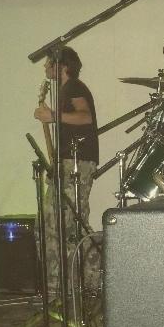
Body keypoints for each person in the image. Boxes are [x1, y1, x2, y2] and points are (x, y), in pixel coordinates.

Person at [34, 46, 99, 295]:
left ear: (62, 66)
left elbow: (85, 117)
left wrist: (53, 115)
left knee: (64, 223)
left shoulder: (74, 87)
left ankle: (68, 286)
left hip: (77, 163)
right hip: (68, 163)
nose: (45, 67)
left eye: (48, 63)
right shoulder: (64, 91)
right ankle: (66, 284)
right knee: (57, 223)